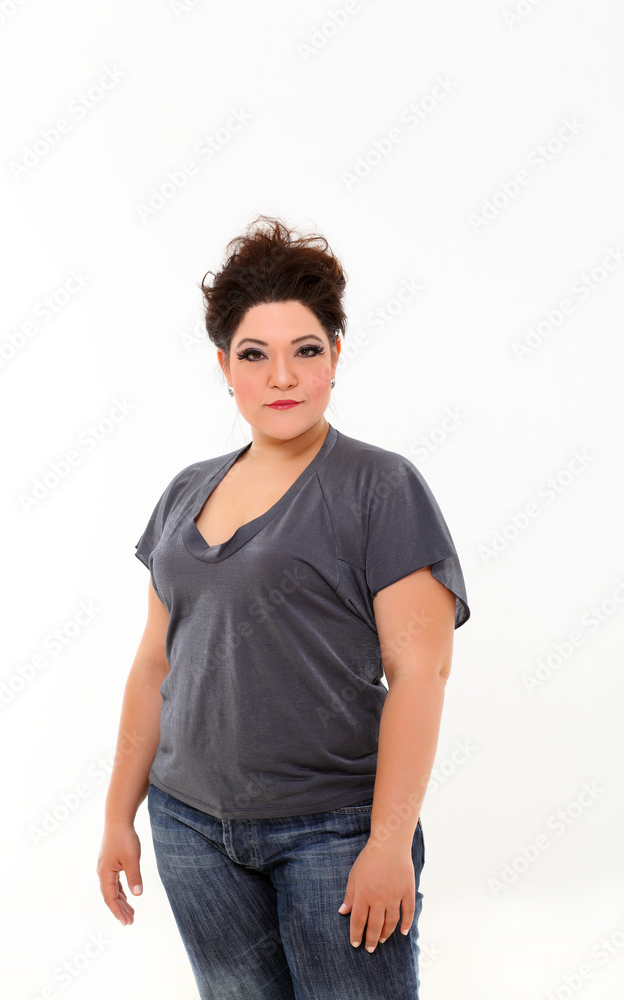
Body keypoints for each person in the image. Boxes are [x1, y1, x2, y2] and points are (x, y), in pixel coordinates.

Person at [97, 215, 471, 1000]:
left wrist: (387, 843)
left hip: (332, 831)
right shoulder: (185, 490)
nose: (281, 378)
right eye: (253, 355)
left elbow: (419, 675)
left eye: (304, 351)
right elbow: (154, 664)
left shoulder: (380, 487)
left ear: (334, 355)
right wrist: (117, 816)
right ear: (223, 367)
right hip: (189, 825)